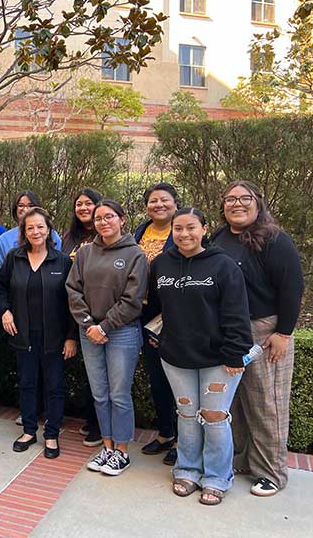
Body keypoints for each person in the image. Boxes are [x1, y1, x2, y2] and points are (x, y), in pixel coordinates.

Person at [147, 208, 252, 505]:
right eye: (178, 229)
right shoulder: (162, 264)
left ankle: (218, 476)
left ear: (204, 229)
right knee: (188, 415)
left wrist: (235, 354)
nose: (184, 234)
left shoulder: (223, 265)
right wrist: (157, 337)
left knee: (215, 417)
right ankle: (188, 469)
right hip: (175, 356)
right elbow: (155, 307)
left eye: (191, 228)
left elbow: (237, 313)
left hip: (219, 359)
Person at [211, 180, 304, 497]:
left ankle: (271, 473)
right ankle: (243, 460)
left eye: (244, 198)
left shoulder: (275, 240)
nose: (236, 204)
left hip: (264, 331)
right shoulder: (219, 238)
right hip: (227, 331)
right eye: (230, 199)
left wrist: (284, 332)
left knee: (267, 403)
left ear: (258, 202)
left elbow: (292, 288)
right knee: (234, 401)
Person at [66, 199, 148, 476]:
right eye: (99, 218)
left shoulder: (135, 254)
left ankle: (122, 451)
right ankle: (108, 446)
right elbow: (73, 289)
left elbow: (133, 299)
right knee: (100, 394)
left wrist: (105, 327)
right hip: (88, 331)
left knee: (119, 395)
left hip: (121, 332)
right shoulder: (86, 252)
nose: (103, 222)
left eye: (109, 217)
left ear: (122, 219)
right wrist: (90, 324)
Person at [0, 208, 76, 459]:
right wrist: (5, 311)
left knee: (54, 386)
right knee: (27, 382)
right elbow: (0, 288)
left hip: (54, 336)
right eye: (30, 228)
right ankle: (29, 431)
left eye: (40, 226)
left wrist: (71, 336)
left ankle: (51, 434)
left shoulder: (62, 261)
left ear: (49, 230)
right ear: (24, 232)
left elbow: (73, 302)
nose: (35, 232)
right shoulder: (13, 257)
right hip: (23, 334)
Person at [135, 182, 180, 465]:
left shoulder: (184, 229)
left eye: (164, 200)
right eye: (153, 201)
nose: (159, 205)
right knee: (157, 377)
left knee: (180, 379)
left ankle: (183, 440)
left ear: (175, 203)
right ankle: (165, 433)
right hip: (144, 313)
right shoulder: (141, 231)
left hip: (174, 314)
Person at [60, 187, 103, 447]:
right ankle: (90, 418)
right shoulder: (69, 238)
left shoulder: (107, 235)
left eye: (89, 203)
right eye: (79, 204)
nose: (84, 208)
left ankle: (100, 425)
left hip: (98, 313)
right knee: (87, 371)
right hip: (70, 309)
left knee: (99, 374)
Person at [0, 190, 61, 268]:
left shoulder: (53, 236)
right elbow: (0, 271)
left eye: (30, 205)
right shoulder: (4, 239)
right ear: (15, 209)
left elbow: (58, 265)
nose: (26, 209)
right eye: (21, 205)